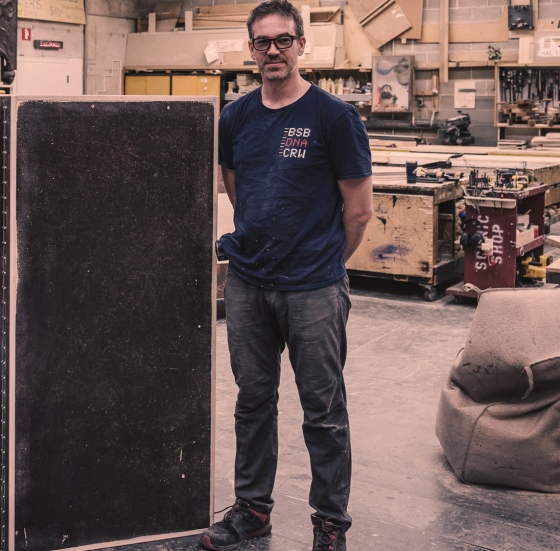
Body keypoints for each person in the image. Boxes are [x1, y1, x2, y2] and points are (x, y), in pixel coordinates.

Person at [200, 2, 373, 551]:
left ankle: (330, 524)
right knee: (253, 401)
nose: (272, 50)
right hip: (248, 282)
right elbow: (231, 183)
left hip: (314, 287)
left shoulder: (334, 117)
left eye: (282, 40)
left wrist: (323, 265)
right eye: (261, 42)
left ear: (301, 45)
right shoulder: (236, 116)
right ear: (250, 50)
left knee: (323, 412)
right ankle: (252, 510)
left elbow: (359, 210)